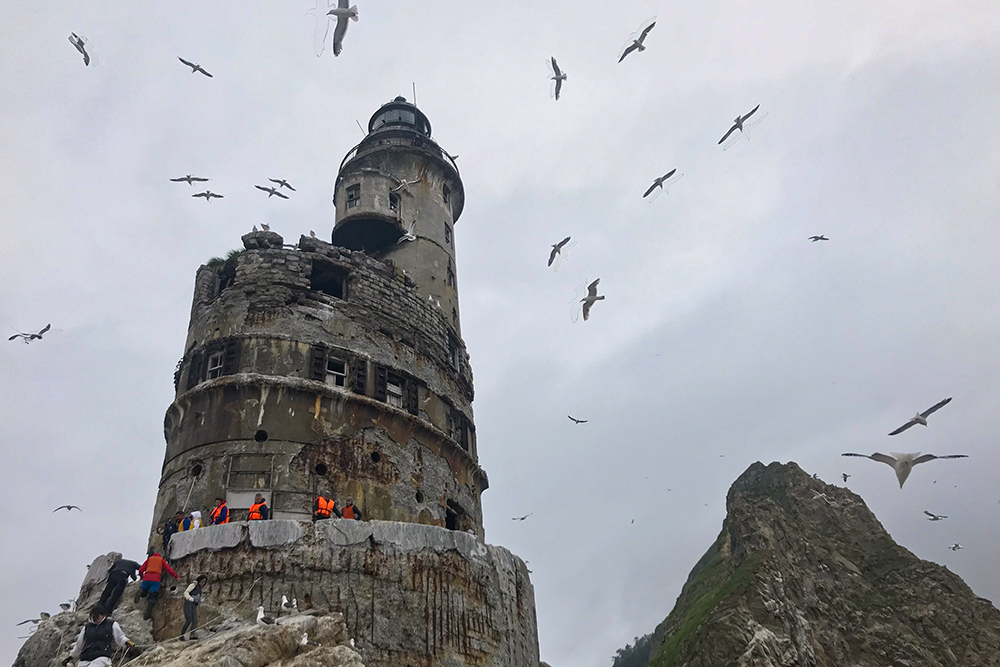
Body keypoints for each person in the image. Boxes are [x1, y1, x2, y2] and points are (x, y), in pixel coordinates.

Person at [68, 604, 133, 667]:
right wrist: (72, 656)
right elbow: (79, 644)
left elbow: (120, 637)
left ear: (103, 615)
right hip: (86, 657)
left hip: (102, 656)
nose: (96, 619)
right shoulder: (87, 627)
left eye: (97, 617)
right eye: (94, 617)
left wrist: (127, 642)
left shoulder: (111, 624)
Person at [136, 549, 178, 620]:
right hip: (156, 578)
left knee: (144, 590)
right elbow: (168, 568)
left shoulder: (149, 559)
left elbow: (141, 569)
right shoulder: (161, 560)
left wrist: (142, 576)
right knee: (153, 597)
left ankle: (142, 593)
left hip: (147, 577)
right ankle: (147, 613)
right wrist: (176, 576)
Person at [180, 575, 208, 641]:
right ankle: (181, 635)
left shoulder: (200, 589)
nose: (203, 583)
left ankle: (192, 635)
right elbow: (186, 592)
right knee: (188, 620)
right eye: (202, 581)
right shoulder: (194, 585)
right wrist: (189, 598)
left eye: (204, 582)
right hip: (188, 604)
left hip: (194, 605)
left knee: (195, 621)